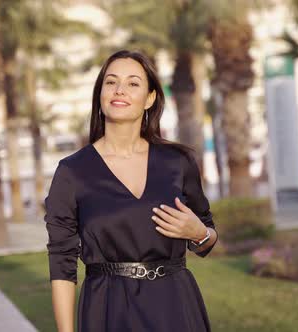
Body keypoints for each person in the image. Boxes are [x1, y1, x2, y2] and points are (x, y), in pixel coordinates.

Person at [44, 50, 218, 332]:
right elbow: (61, 262)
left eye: (133, 83)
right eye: (111, 82)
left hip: (175, 306)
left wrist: (200, 233)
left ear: (150, 98)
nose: (120, 90)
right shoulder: (72, 172)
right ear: (100, 95)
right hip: (108, 309)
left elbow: (208, 238)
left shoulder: (179, 162)